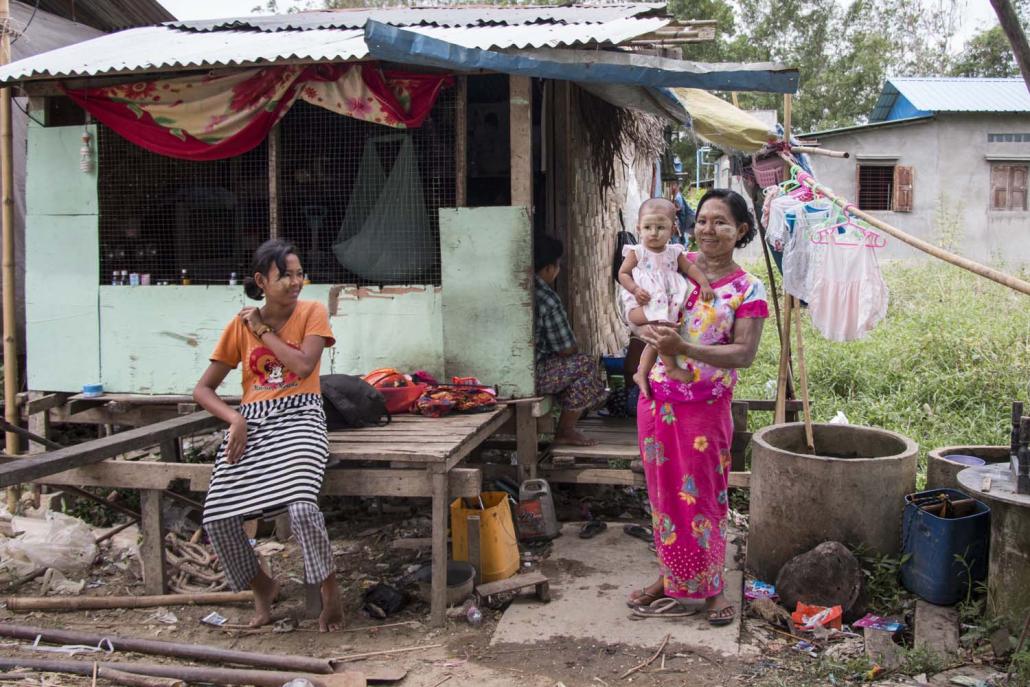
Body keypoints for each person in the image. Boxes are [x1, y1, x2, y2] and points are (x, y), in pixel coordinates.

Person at [627, 189, 768, 626]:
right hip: (657, 401)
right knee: (663, 495)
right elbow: (635, 298)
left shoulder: (748, 288)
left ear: (740, 231)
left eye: (721, 222)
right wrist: (644, 328)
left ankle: (711, 588)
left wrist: (684, 347)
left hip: (705, 409)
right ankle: (669, 578)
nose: (708, 229)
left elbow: (744, 353)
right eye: (703, 220)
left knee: (704, 496)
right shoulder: (669, 261)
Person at [193, 239, 342, 632]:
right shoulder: (236, 328)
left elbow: (303, 362)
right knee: (217, 516)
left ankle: (330, 593)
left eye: (298, 274)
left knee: (302, 507)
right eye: (285, 276)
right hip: (252, 421)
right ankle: (263, 588)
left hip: (301, 415)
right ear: (261, 280)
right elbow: (202, 390)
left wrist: (261, 331)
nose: (296, 282)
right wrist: (234, 420)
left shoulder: (312, 312)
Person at [617, 197, 715, 386]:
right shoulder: (637, 252)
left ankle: (641, 371)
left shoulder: (674, 253)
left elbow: (691, 269)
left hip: (661, 307)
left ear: (672, 229)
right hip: (640, 305)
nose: (653, 233)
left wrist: (704, 284)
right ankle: (670, 368)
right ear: (639, 228)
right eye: (647, 228)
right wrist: (635, 289)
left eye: (660, 228)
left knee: (659, 335)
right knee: (661, 331)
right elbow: (623, 273)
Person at [534, 234, 608, 446]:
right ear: (549, 268)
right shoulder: (546, 297)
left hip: (492, 376)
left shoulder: (511, 287)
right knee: (585, 365)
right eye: (557, 266)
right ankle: (566, 429)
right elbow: (566, 348)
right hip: (531, 376)